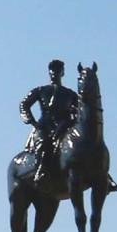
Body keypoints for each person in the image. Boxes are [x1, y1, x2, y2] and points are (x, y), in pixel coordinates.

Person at [19, 59, 79, 187]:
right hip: (45, 126)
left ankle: (103, 176)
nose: (54, 73)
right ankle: (40, 171)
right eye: (52, 70)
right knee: (44, 143)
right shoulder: (41, 90)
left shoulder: (70, 94)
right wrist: (32, 121)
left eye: (57, 70)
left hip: (64, 125)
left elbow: (80, 110)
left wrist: (74, 116)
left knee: (83, 143)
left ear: (62, 73)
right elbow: (24, 104)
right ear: (49, 72)